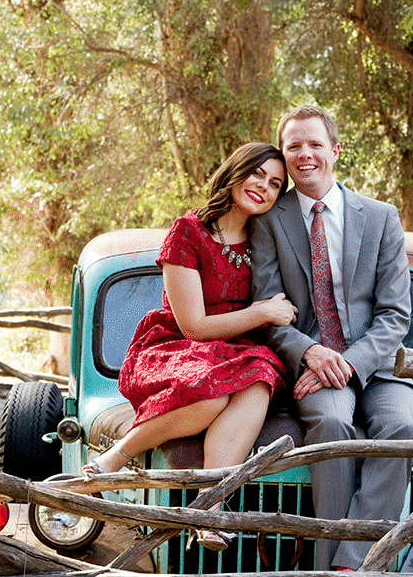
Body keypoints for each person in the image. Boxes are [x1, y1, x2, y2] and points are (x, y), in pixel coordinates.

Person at [84, 142, 297, 552]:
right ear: (236, 171)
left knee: (261, 381)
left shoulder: (264, 238)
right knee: (211, 397)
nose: (264, 187)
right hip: (179, 347)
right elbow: (195, 326)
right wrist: (263, 312)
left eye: (275, 184)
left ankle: (210, 508)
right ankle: (118, 454)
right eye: (258, 174)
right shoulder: (189, 232)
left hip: (241, 353)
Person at [250, 105, 413, 571]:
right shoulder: (269, 220)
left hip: (380, 367)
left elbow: (395, 314)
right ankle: (335, 565)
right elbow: (267, 313)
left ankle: (348, 563)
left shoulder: (380, 217)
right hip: (313, 368)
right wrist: (309, 351)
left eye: (314, 144)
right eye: (294, 146)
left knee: (402, 429)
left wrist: (348, 362)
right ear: (285, 155)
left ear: (335, 150)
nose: (304, 154)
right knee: (331, 428)